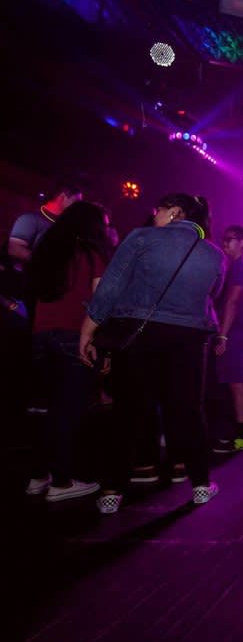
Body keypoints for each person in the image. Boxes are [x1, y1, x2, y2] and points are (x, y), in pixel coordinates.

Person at [81, 193, 225, 513]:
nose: (154, 214)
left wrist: (88, 329)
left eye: (159, 209)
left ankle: (112, 491)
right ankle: (201, 485)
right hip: (189, 339)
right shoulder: (214, 254)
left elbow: (111, 286)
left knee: (128, 412)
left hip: (140, 335)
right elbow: (211, 295)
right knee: (188, 412)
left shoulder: (141, 238)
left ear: (175, 212)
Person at [26, 201, 111, 501]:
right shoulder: (91, 255)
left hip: (40, 335)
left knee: (45, 409)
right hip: (75, 336)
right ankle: (61, 482)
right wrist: (103, 346)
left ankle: (38, 476)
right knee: (68, 410)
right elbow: (100, 303)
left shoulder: (48, 252)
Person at [212, 224, 243, 452]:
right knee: (238, 382)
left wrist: (223, 335)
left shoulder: (240, 266)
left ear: (242, 243)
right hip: (239, 331)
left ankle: (242, 435)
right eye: (224, 238)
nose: (224, 243)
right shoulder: (241, 265)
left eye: (230, 239)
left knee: (236, 384)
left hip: (235, 332)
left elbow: (233, 301)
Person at [7, 183, 83, 263]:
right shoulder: (30, 219)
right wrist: (48, 263)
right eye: (76, 202)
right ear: (62, 197)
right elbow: (14, 249)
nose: (78, 207)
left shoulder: (66, 226)